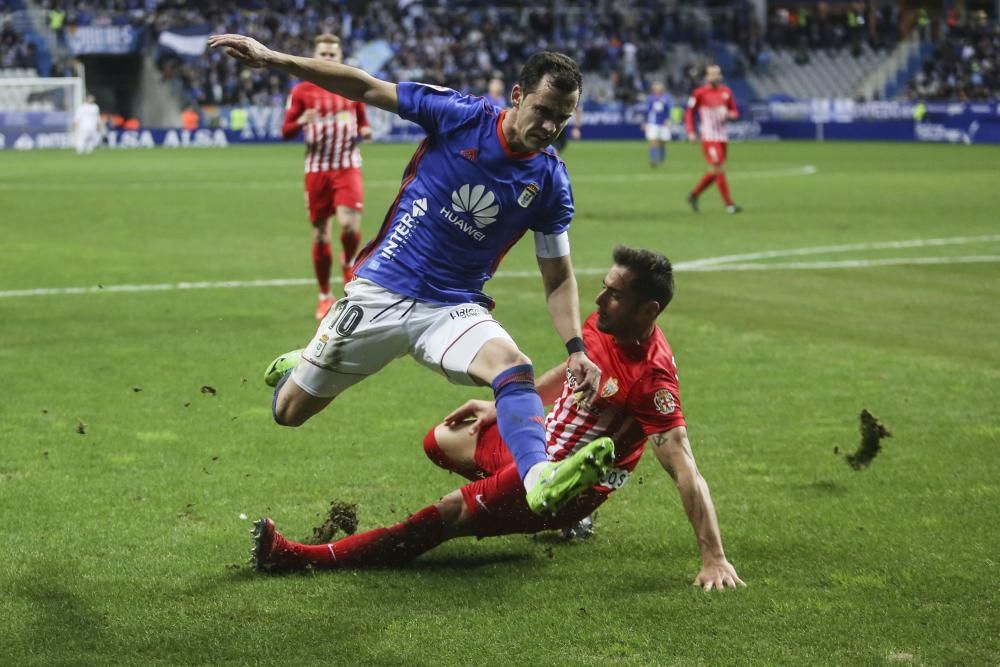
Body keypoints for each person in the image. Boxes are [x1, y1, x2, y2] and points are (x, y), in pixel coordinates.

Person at [209, 34, 610, 515]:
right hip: (381, 289)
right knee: (289, 412)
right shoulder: (461, 115)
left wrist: (575, 349)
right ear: (518, 95)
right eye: (543, 110)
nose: (549, 126)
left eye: (561, 118)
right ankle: (304, 360)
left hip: (452, 306)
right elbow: (365, 87)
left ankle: (538, 476)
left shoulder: (549, 183)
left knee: (513, 366)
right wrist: (273, 58)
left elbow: (558, 277)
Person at [251, 246, 746, 591]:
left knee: (445, 515)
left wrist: (713, 556)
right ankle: (519, 494)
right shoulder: (603, 324)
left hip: (566, 483)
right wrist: (498, 405)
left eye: (614, 294)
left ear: (648, 310)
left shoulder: (652, 379)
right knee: (441, 440)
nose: (597, 301)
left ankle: (299, 557)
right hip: (539, 445)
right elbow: (568, 372)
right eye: (603, 287)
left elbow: (684, 466)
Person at [282, 34, 373, 320]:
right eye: (323, 54)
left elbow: (362, 122)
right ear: (314, 55)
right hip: (317, 169)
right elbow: (285, 132)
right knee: (321, 233)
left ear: (340, 57)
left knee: (348, 225)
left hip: (347, 165)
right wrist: (300, 121)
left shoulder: (352, 87)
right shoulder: (301, 92)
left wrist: (366, 131)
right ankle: (324, 295)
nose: (328, 59)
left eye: (333, 55)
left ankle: (348, 262)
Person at [684, 65, 741, 214]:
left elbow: (734, 111)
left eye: (718, 74)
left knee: (717, 171)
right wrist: (690, 131)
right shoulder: (699, 93)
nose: (715, 76)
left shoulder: (726, 92)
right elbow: (689, 113)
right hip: (709, 137)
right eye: (712, 74)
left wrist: (731, 114)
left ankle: (694, 195)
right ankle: (729, 205)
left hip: (722, 137)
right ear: (706, 77)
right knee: (719, 168)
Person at [643, 80, 673, 168]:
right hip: (653, 123)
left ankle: (661, 159)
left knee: (662, 142)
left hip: (664, 123)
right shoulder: (650, 98)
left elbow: (670, 109)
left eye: (659, 86)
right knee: (653, 141)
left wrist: (669, 119)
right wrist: (645, 123)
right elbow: (647, 111)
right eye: (656, 87)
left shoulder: (667, 97)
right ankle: (653, 160)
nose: (658, 88)